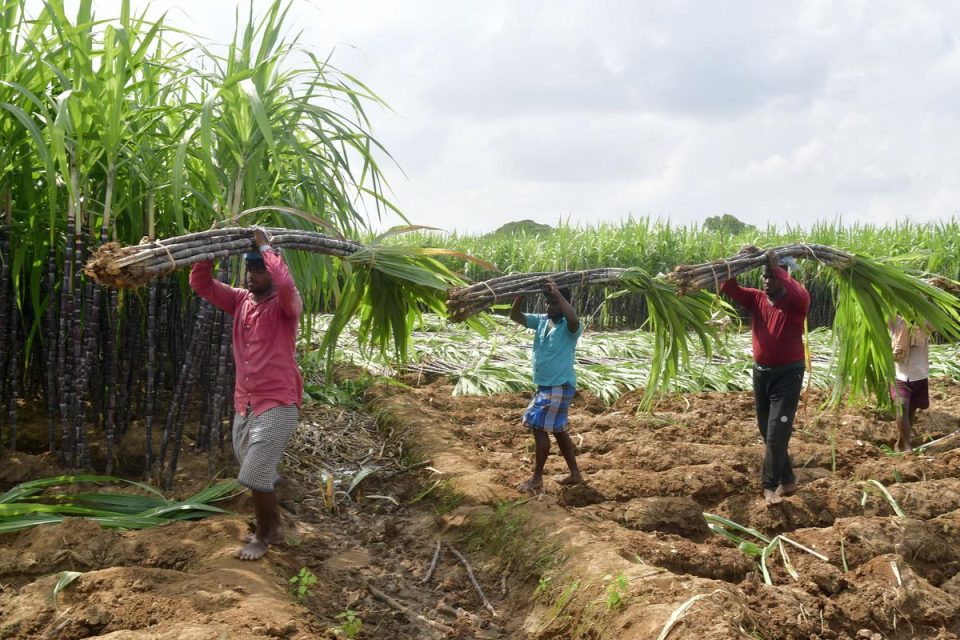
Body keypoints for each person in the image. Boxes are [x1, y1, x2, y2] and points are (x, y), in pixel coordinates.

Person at [189, 227, 303, 560]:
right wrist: (208, 249)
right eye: (249, 269)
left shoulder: (286, 304)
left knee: (252, 473)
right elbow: (202, 285)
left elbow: (283, 282)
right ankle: (278, 524)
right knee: (254, 467)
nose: (252, 275)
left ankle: (264, 535)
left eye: (259, 269)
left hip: (279, 401)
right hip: (246, 402)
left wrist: (265, 245)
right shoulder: (240, 300)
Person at [720, 247, 810, 506]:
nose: (766, 280)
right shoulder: (756, 299)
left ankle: (770, 485)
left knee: (776, 434)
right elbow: (729, 287)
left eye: (771, 276)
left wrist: (778, 269)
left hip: (788, 375)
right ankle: (789, 479)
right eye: (765, 276)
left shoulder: (795, 302)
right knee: (766, 429)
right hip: (762, 375)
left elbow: (800, 293)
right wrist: (738, 262)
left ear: (783, 276)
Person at [509, 281, 584, 493]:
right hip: (546, 386)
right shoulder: (542, 321)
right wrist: (519, 299)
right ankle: (575, 474)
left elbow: (574, 319)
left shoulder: (571, 328)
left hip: (558, 385)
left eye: (553, 303)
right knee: (558, 430)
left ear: (563, 303)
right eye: (547, 302)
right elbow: (516, 317)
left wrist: (558, 294)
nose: (548, 306)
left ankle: (537, 477)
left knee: (538, 427)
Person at [889, 315, 931, 452]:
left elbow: (935, 320)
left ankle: (900, 443)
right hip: (900, 374)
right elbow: (882, 308)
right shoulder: (896, 320)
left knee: (911, 411)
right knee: (902, 406)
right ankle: (908, 447)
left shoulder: (925, 322)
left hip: (919, 374)